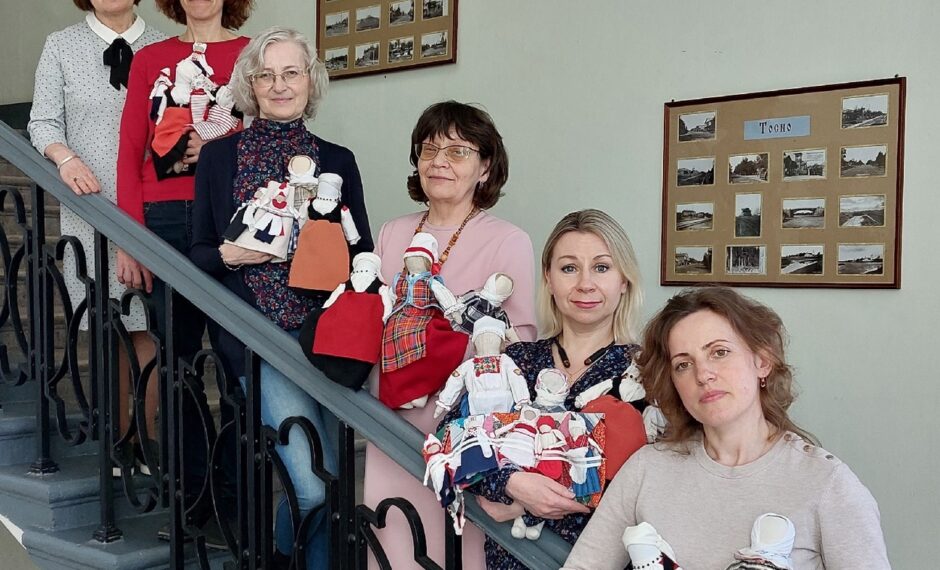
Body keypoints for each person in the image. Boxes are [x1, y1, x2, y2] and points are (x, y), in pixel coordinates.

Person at [190, 27, 372, 569]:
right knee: (313, 485)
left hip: (327, 338)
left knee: (333, 481)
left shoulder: (338, 160)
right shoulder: (219, 158)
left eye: (291, 73)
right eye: (265, 75)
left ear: (310, 81)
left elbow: (361, 252)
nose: (279, 84)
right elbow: (198, 252)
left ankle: (286, 559)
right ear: (250, 85)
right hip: (259, 338)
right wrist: (232, 255)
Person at [563, 287, 891, 569]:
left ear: (762, 361)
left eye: (719, 352)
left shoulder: (829, 484)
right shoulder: (645, 471)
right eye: (683, 364)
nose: (703, 374)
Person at [363, 100, 537, 569]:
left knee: (458, 552)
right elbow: (371, 315)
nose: (439, 161)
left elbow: (520, 340)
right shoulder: (392, 232)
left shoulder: (508, 239)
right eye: (429, 149)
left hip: (461, 430)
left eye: (458, 151)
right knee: (392, 543)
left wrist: (438, 344)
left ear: (485, 168)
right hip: (390, 420)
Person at [115, 0, 254, 541]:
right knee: (176, 364)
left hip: (231, 218)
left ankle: (238, 504)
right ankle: (191, 501)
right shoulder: (150, 59)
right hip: (165, 221)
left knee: (238, 363)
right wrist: (130, 240)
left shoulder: (252, 54)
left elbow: (268, 140)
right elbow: (130, 149)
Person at [458, 209, 645, 570]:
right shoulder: (515, 361)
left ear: (624, 280)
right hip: (510, 561)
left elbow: (653, 486)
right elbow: (454, 441)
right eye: (569, 268)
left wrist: (532, 505)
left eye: (602, 267)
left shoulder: (647, 374)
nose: (585, 284)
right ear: (549, 278)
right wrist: (509, 484)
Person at [27, 0, 165, 475]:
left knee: (146, 325)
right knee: (106, 325)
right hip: (89, 208)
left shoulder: (163, 45)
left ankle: (144, 438)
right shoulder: (61, 45)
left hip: (151, 206)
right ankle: (115, 436)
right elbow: (42, 121)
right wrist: (64, 159)